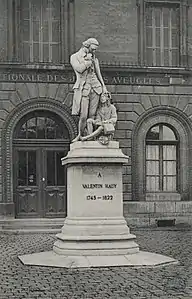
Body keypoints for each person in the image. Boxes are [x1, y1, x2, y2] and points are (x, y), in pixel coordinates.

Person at [70, 38, 108, 142]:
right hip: (83, 88)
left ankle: (90, 138)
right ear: (87, 46)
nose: (94, 52)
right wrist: (88, 62)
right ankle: (80, 135)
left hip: (96, 88)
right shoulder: (74, 57)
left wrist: (104, 87)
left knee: (92, 116)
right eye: (93, 49)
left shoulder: (94, 58)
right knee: (83, 116)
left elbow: (98, 73)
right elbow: (79, 69)